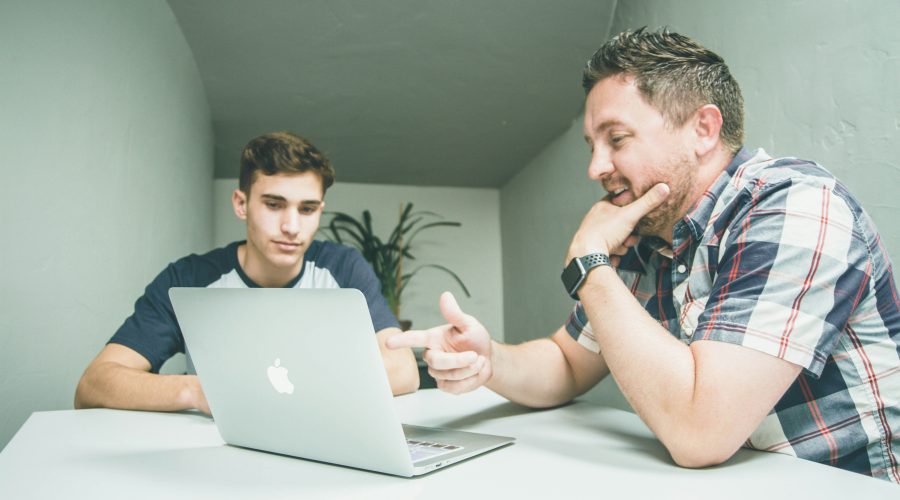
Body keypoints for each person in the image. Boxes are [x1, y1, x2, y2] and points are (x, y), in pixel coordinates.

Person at [387, 28, 900, 482]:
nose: (596, 167)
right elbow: (568, 361)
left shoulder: (795, 206)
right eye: (592, 144)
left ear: (703, 129)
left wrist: (590, 263)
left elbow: (701, 432)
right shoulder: (651, 234)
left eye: (616, 139)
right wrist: (489, 359)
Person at [76, 131, 419, 414]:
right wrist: (198, 391)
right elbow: (94, 384)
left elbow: (403, 370)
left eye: (307, 209)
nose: (291, 226)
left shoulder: (343, 268)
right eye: (274, 205)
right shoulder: (189, 278)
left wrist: (283, 386)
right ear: (241, 204)